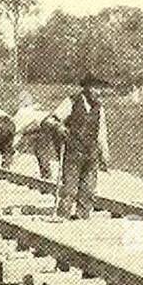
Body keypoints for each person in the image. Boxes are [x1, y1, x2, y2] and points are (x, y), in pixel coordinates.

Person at [49, 75, 110, 219]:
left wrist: (105, 153)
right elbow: (50, 120)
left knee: (88, 188)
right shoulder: (71, 101)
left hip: (91, 152)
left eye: (101, 88)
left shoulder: (99, 108)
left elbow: (101, 132)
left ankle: (82, 216)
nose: (99, 92)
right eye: (96, 88)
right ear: (87, 87)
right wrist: (59, 127)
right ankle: (63, 215)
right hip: (73, 151)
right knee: (70, 188)